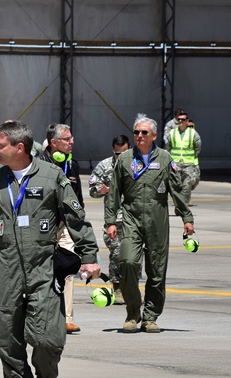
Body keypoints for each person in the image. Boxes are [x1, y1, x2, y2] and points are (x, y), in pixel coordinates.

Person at [0, 120, 99, 378]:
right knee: (8, 347)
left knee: (48, 342)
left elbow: (76, 218)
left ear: (20, 148)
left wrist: (90, 256)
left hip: (42, 274)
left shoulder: (53, 177)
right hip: (5, 274)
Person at [105, 115, 194, 333]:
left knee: (156, 270)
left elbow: (177, 190)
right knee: (127, 261)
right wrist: (110, 221)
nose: (139, 136)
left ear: (154, 135)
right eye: (136, 132)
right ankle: (133, 311)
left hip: (157, 216)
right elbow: (114, 193)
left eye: (144, 132)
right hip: (131, 215)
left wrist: (187, 218)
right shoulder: (125, 159)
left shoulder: (164, 158)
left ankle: (150, 317)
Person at [43, 123, 83, 334]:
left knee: (68, 267)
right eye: (67, 139)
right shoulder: (39, 164)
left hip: (65, 225)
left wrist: (81, 230)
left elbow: (78, 201)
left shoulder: (73, 166)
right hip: (44, 225)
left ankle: (67, 318)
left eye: (71, 138)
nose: (72, 142)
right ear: (54, 143)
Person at [88, 135, 131, 304]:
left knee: (133, 257)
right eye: (117, 153)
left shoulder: (138, 165)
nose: (120, 157)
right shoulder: (105, 166)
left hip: (133, 218)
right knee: (118, 253)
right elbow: (92, 188)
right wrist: (102, 190)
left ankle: (131, 288)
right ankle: (118, 287)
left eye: (124, 153)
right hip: (114, 220)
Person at [164, 110, 201, 204]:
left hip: (188, 164)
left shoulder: (192, 133)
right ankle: (179, 205)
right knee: (176, 186)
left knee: (187, 186)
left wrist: (192, 157)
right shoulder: (172, 132)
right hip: (175, 164)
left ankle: (183, 207)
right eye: (179, 119)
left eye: (183, 119)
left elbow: (198, 146)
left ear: (187, 121)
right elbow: (168, 146)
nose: (180, 121)